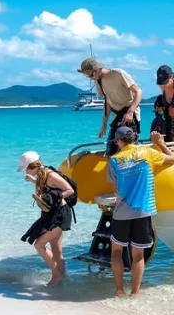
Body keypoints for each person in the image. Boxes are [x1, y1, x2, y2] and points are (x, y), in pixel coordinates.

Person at [107, 126, 174, 296]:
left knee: (116, 252)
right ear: (134, 139)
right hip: (143, 212)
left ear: (118, 141)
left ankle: (119, 290)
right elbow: (172, 159)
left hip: (121, 213)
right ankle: (135, 292)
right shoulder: (148, 153)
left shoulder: (114, 160)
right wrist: (159, 143)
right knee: (138, 255)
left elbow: (115, 187)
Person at [18, 151, 75, 287]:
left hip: (60, 215)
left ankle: (56, 275)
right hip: (51, 214)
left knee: (39, 244)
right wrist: (34, 181)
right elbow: (48, 187)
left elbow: (70, 190)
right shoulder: (42, 174)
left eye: (25, 168)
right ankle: (63, 280)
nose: (24, 171)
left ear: (32, 166)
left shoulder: (51, 175)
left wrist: (56, 198)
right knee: (56, 250)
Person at [78, 57, 143, 156]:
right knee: (111, 149)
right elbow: (107, 101)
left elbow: (138, 91)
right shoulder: (98, 80)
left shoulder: (118, 74)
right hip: (117, 117)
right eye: (88, 76)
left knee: (129, 149)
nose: (91, 78)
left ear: (99, 69)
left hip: (129, 114)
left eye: (91, 74)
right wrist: (104, 125)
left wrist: (130, 112)